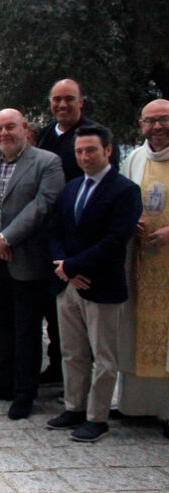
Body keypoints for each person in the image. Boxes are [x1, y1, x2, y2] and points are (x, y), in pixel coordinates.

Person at [0, 108, 64, 420]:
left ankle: (24, 393)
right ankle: (2, 382)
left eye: (10, 127)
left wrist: (6, 239)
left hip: (26, 258)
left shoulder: (47, 162)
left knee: (27, 330)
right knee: (1, 325)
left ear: (24, 128)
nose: (4, 133)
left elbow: (42, 206)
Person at [44, 124, 140, 442]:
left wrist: (73, 265)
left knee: (104, 357)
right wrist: (63, 267)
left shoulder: (125, 190)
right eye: (80, 151)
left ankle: (97, 417)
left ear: (108, 150)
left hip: (101, 285)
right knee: (72, 352)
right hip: (68, 283)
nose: (84, 156)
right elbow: (55, 229)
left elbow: (116, 240)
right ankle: (74, 407)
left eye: (91, 150)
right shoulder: (71, 188)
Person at [35, 79, 121, 384]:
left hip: (84, 248)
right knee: (55, 314)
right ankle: (59, 370)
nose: (62, 105)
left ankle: (89, 392)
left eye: (69, 99)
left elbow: (107, 199)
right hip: (52, 241)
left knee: (91, 331)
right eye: (56, 99)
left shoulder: (94, 135)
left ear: (81, 102)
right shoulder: (46, 135)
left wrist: (75, 262)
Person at [117, 98, 169, 437]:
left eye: (163, 120)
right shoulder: (133, 159)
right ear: (140, 125)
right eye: (149, 121)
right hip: (139, 260)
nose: (157, 127)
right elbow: (119, 199)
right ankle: (137, 406)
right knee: (134, 328)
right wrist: (128, 220)